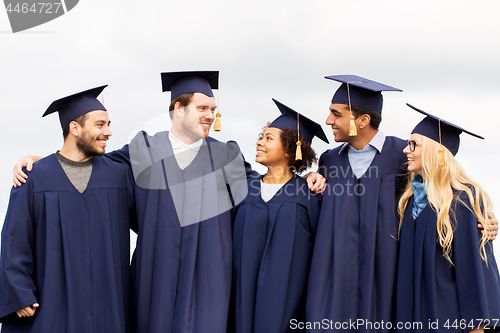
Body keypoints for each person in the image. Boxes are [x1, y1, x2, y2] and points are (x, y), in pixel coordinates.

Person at [0, 86, 136, 332]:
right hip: (50, 304)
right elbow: (14, 240)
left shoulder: (118, 174)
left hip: (108, 306)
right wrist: (19, 292)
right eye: (100, 125)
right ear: (75, 128)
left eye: (108, 124)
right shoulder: (34, 178)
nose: (108, 132)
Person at [305, 75, 407, 332]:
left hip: (388, 274)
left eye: (336, 114)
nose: (328, 121)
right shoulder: (330, 161)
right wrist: (309, 178)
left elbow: (444, 189)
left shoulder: (404, 155)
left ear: (363, 120)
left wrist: (483, 215)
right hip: (338, 277)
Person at [396, 104, 500, 333]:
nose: (406, 150)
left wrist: (476, 329)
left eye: (414, 144)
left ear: (437, 153)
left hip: (447, 320)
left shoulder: (462, 202)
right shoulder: (411, 199)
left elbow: (473, 273)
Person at [231, 99, 328, 333]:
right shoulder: (243, 188)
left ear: (289, 149)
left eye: (268, 138)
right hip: (240, 302)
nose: (259, 143)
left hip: (288, 309)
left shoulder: (309, 195)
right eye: (261, 137)